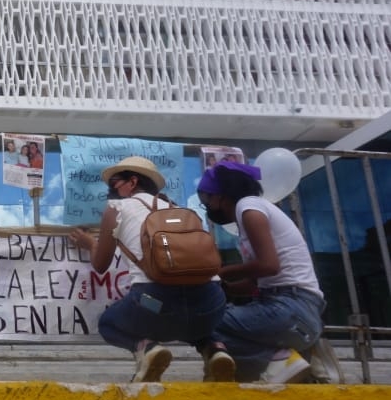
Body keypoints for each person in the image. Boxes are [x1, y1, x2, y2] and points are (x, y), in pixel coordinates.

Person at [68, 156, 231, 382]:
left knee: (108, 322)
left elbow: (100, 265)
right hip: (212, 303)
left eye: (114, 182)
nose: (109, 190)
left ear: (132, 182)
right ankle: (215, 348)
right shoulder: (181, 211)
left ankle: (146, 349)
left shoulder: (117, 208)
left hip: (155, 303)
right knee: (193, 316)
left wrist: (90, 243)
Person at [197, 161, 325, 383]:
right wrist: (226, 287)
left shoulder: (249, 208)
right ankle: (290, 367)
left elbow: (269, 265)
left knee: (199, 320)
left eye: (206, 200)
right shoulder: (255, 210)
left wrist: (220, 272)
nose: (207, 207)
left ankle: (276, 360)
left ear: (222, 194)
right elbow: (258, 283)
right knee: (224, 350)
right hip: (296, 313)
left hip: (290, 308)